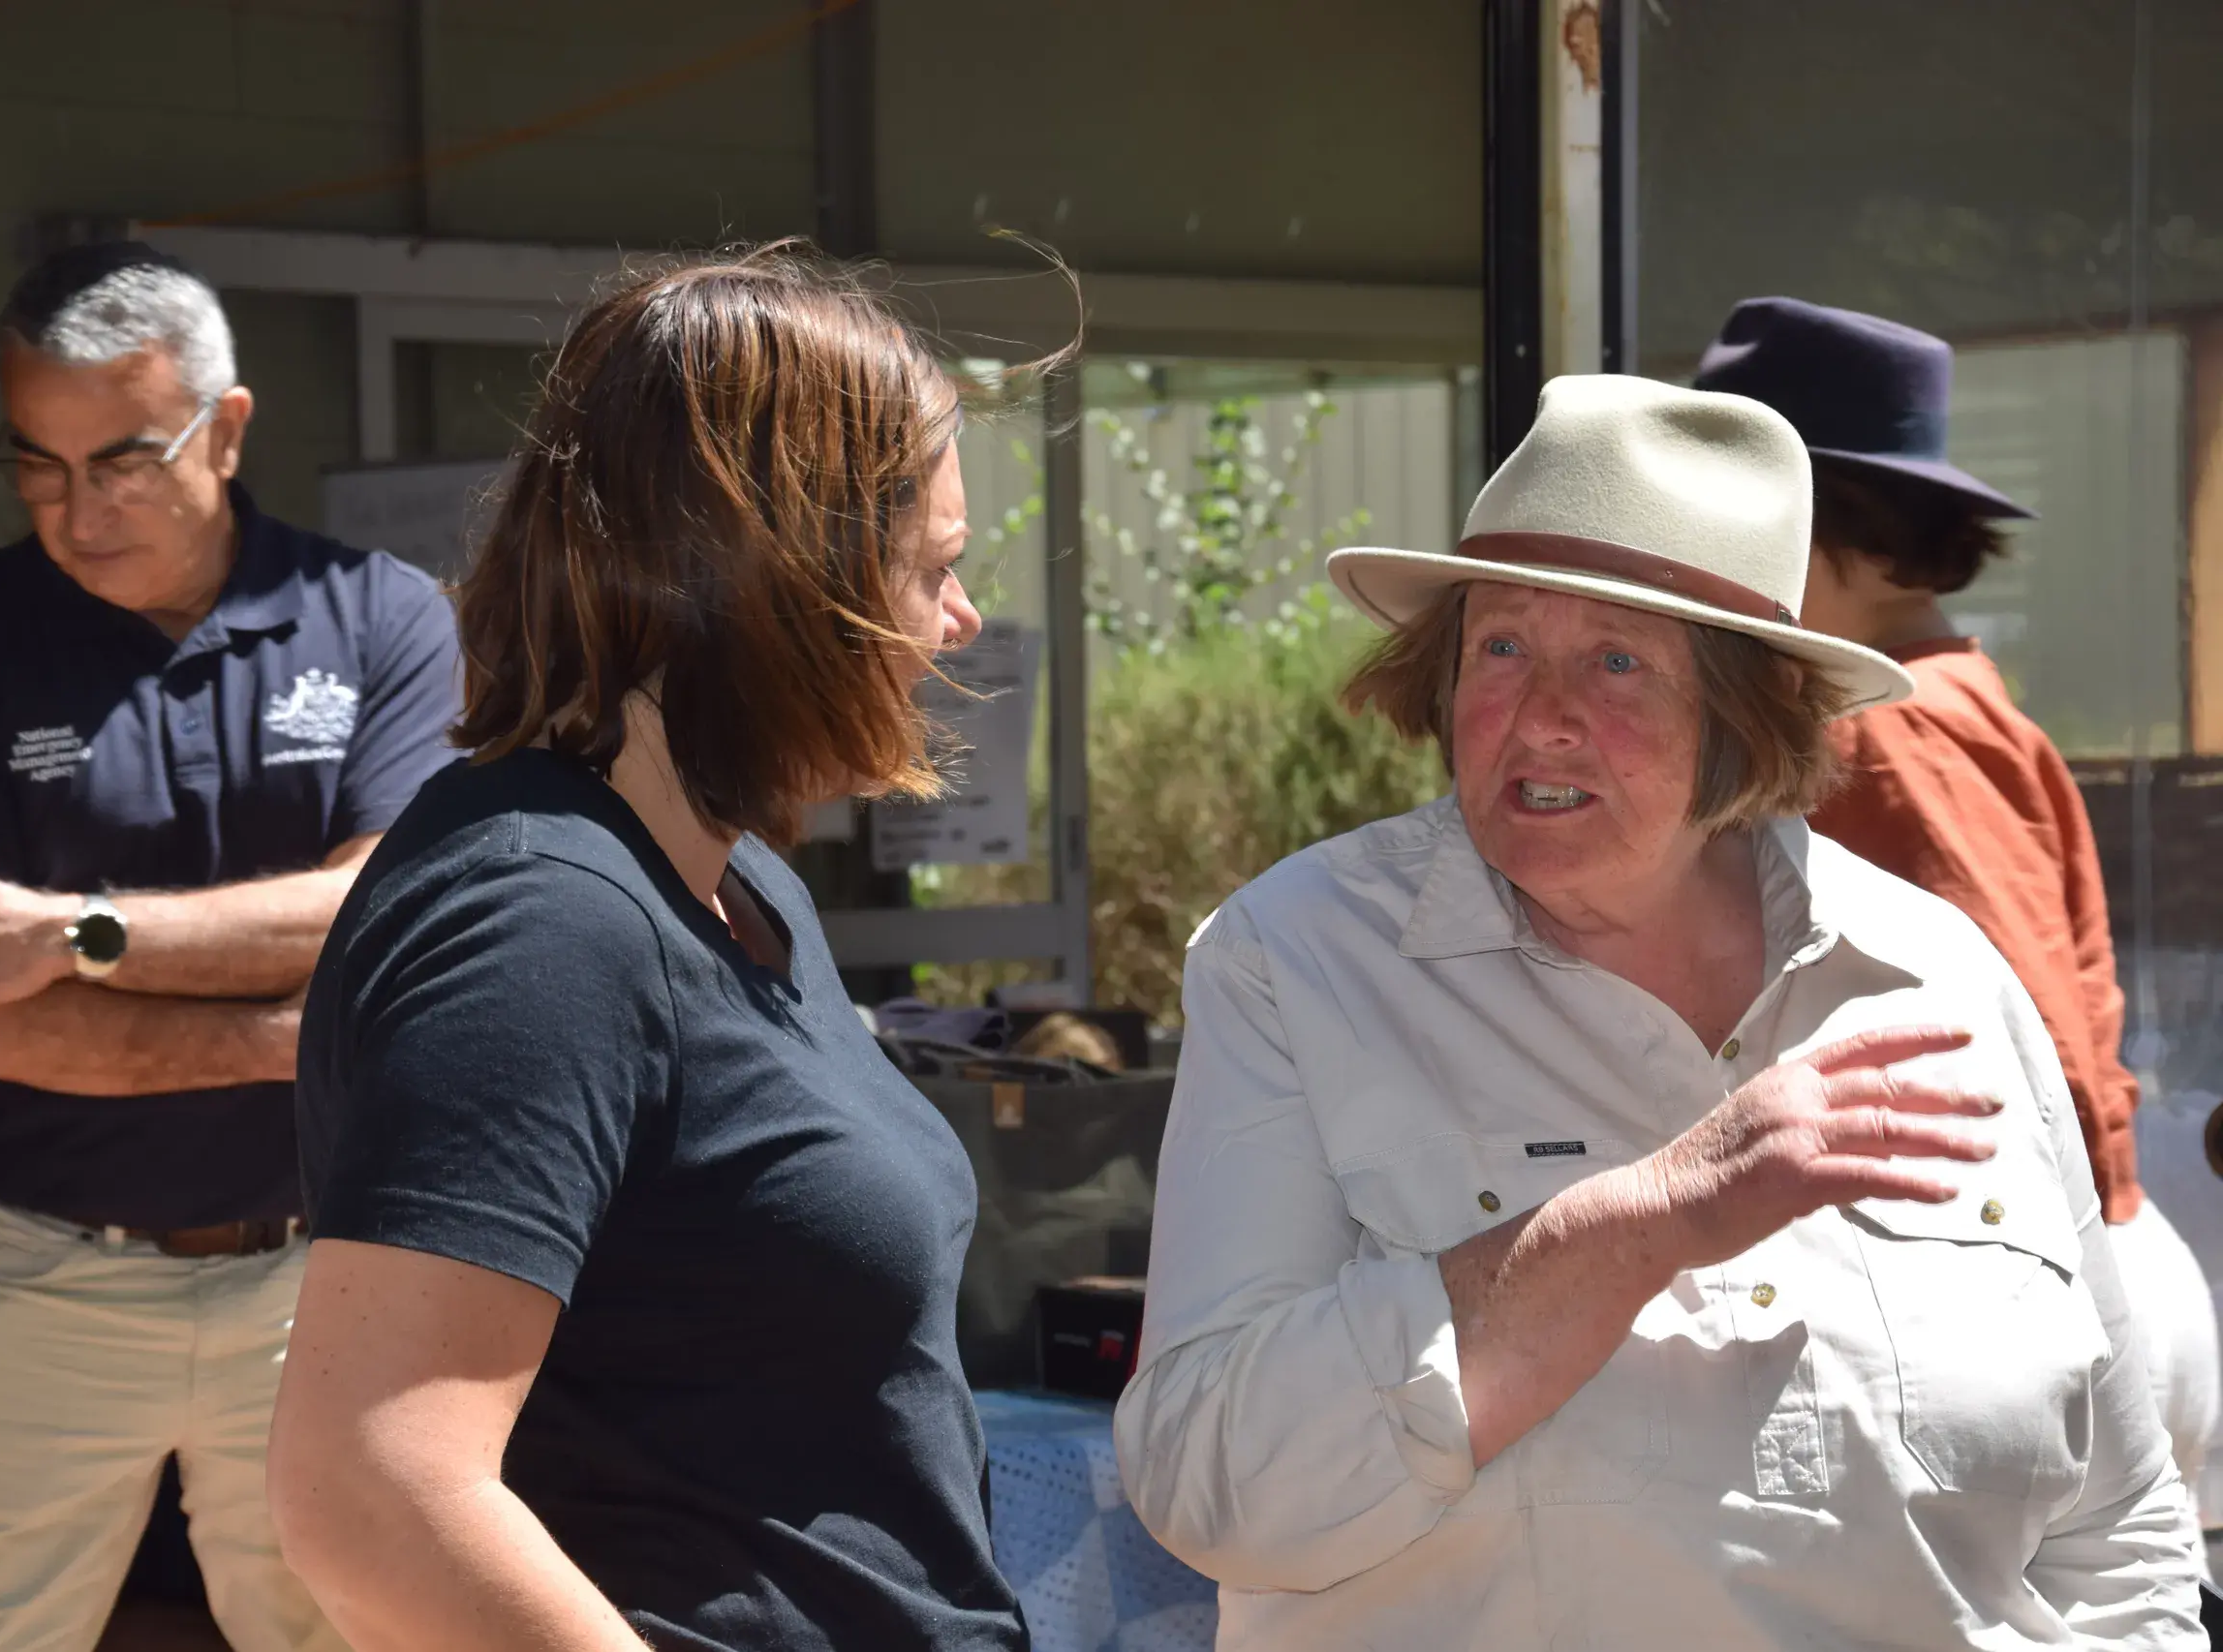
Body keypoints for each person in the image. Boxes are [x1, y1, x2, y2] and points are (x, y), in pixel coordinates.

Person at [1113, 374, 2205, 1648]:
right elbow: (1206, 1485)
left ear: (1747, 715)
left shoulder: (1940, 971)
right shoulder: (1298, 960)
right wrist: (1643, 1220)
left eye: (1618, 659)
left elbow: (2121, 1529)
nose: (1542, 717)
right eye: (1502, 646)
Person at [270, 248, 1033, 1652]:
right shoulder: (544, 918)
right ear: (791, 579)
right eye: (937, 565)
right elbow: (369, 1489)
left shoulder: (742, 888)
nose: (961, 620)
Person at [0, 241, 461, 1651]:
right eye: (37, 465)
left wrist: (73, 937)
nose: (78, 509)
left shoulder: (384, 618)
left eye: (121, 459)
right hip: (32, 1266)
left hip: (331, 1269)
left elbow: (392, 911)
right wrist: (300, 1031)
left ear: (226, 427)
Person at [1696, 294, 2223, 1535]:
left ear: (1843, 530)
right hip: (2059, 1286)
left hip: (2033, 1302)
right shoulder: (1947, 701)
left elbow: (2015, 1040)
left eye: (1738, 520)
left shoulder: (1888, 732)